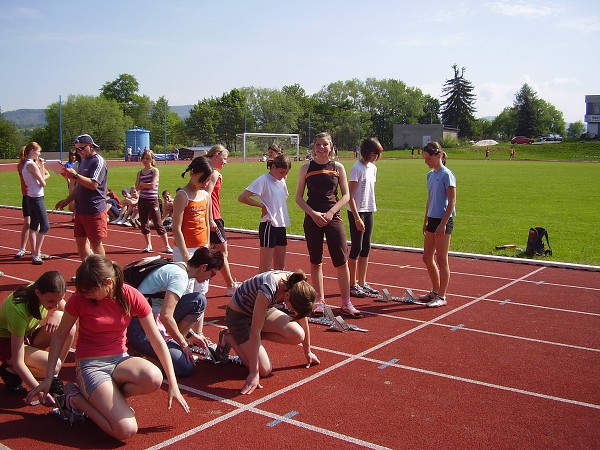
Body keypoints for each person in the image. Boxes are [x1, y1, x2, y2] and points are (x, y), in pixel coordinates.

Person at [27, 255, 190, 440]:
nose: (84, 294)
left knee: (153, 377)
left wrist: (174, 384)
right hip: (91, 364)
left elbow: (157, 340)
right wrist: (50, 377)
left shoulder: (130, 295)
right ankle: (74, 398)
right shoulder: (80, 299)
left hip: (120, 359)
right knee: (126, 430)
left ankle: (103, 402)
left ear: (108, 283)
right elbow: (59, 336)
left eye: (89, 291)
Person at [126, 247, 224, 377]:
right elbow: (166, 316)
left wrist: (190, 335)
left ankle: (167, 344)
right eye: (213, 274)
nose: (210, 279)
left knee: (198, 300)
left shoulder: (179, 266)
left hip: (149, 318)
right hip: (140, 327)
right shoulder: (179, 277)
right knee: (184, 367)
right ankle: (140, 355)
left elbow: (163, 312)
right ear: (204, 267)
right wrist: (184, 345)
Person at [218, 270, 319, 394]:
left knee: (298, 335)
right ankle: (229, 336)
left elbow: (302, 318)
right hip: (239, 317)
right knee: (264, 370)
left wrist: (307, 351)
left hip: (262, 310)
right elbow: (255, 331)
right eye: (292, 309)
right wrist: (254, 373)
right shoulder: (268, 289)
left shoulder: (297, 284)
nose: (292, 312)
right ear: (287, 296)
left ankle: (247, 342)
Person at [295, 132, 361, 318]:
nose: (321, 148)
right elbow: (298, 197)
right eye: (318, 144)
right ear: (313, 147)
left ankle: (346, 303)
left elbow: (346, 195)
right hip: (312, 219)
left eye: (325, 144)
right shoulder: (305, 168)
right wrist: (313, 214)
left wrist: (331, 212)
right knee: (316, 262)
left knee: (341, 262)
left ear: (331, 147)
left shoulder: (338, 166)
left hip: (334, 218)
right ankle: (320, 301)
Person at [0, 271, 75, 398]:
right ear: (38, 293)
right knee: (53, 364)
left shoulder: (45, 288)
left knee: (70, 327)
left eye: (59, 300)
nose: (55, 305)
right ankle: (9, 369)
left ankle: (52, 376)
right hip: (7, 342)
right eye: (51, 301)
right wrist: (39, 391)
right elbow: (19, 362)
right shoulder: (18, 308)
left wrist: (59, 314)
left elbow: (70, 314)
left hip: (27, 335)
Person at [55, 134, 108, 261]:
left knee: (95, 244)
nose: (79, 152)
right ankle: (87, 270)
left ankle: (102, 272)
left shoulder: (98, 161)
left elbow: (93, 184)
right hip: (81, 209)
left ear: (90, 146)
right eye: (77, 149)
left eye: (81, 148)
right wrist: (67, 200)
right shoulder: (83, 161)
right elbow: (79, 186)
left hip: (94, 209)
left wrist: (75, 176)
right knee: (81, 242)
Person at [238, 154, 292, 273]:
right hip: (269, 224)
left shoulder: (281, 180)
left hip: (281, 224)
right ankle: (261, 290)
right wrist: (262, 206)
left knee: (280, 266)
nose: (283, 176)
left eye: (286, 173)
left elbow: (283, 197)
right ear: (273, 167)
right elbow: (242, 197)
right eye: (282, 172)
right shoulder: (263, 180)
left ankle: (278, 290)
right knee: (265, 267)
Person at [419, 141, 457, 307]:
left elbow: (452, 202)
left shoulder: (446, 174)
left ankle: (442, 296)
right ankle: (435, 290)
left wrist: (443, 223)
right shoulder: (430, 175)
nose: (425, 161)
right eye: (424, 158)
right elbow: (430, 199)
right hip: (432, 219)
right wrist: (425, 219)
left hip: (444, 220)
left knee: (442, 259)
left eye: (428, 158)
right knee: (427, 257)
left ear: (438, 155)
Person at [347, 138, 383, 298]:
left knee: (366, 247)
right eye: (374, 153)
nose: (376, 156)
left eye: (378, 154)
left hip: (369, 210)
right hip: (357, 212)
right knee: (356, 247)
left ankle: (362, 282)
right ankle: (352, 284)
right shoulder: (356, 169)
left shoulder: (373, 168)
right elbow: (350, 195)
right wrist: (356, 217)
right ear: (367, 151)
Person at [172, 156, 213, 295]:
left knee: (201, 290)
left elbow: (206, 223)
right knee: (185, 291)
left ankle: (198, 316)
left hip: (202, 249)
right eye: (202, 180)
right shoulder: (182, 195)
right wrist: (185, 255)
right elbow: (176, 228)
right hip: (185, 251)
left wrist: (207, 246)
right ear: (192, 173)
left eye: (208, 180)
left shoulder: (206, 196)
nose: (205, 184)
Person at [206, 145, 240, 296]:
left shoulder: (206, 173)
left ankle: (202, 279)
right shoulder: (214, 174)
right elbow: (206, 196)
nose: (226, 162)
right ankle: (230, 285)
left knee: (208, 251)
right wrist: (211, 219)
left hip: (211, 216)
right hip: (214, 218)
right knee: (222, 253)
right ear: (216, 156)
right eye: (224, 158)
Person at [135, 150, 172, 254]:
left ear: (152, 159)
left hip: (152, 200)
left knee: (158, 223)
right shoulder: (140, 172)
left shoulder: (155, 170)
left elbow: (153, 184)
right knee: (144, 223)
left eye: (147, 158)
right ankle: (148, 245)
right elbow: (136, 187)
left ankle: (167, 246)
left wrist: (142, 184)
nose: (145, 160)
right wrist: (143, 185)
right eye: (144, 158)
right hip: (142, 200)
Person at [20, 142, 51, 265]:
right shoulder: (31, 165)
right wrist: (41, 166)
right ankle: (36, 254)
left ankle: (34, 252)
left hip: (30, 196)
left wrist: (42, 165)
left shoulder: (24, 164)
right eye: (38, 151)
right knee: (45, 226)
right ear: (32, 150)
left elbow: (40, 178)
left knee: (34, 226)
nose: (39, 154)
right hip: (36, 198)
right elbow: (43, 182)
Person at [14, 146, 31, 259]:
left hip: (35, 196)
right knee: (27, 223)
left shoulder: (32, 164)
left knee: (37, 224)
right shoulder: (21, 166)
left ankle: (36, 250)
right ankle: (22, 248)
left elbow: (46, 174)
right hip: (26, 196)